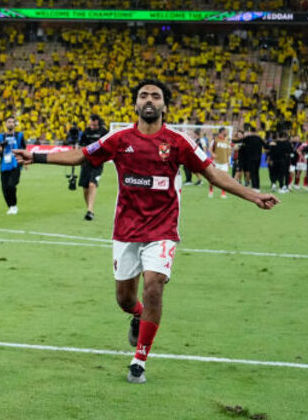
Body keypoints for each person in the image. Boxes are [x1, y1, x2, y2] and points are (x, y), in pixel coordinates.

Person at [15, 80, 277, 384]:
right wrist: (36, 155)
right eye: (143, 96)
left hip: (162, 229)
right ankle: (137, 315)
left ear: (165, 105)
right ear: (136, 105)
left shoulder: (178, 143)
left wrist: (253, 195)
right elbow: (82, 155)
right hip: (126, 230)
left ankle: (139, 360)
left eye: (156, 96)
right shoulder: (120, 138)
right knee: (125, 299)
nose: (149, 100)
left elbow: (212, 172)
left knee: (153, 285)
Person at [77, 114, 108, 219]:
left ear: (97, 123)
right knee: (85, 188)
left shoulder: (104, 132)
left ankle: (90, 210)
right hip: (86, 162)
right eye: (91, 124)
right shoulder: (86, 131)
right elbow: (81, 145)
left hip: (98, 163)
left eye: (94, 125)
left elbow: (109, 145)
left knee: (92, 184)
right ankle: (89, 210)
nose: (92, 127)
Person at [0, 116, 27, 215]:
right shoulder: (1, 137)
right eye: (8, 122)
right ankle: (11, 207)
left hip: (16, 164)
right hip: (4, 165)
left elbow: (24, 149)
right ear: (6, 124)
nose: (10, 123)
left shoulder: (19, 136)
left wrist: (25, 161)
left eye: (12, 122)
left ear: (15, 124)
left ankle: (13, 205)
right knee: (4, 188)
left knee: (11, 185)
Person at [236, 124, 268, 191]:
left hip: (250, 158)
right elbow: (266, 146)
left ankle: (254, 187)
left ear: (250, 131)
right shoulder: (259, 138)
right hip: (258, 158)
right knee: (257, 172)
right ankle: (258, 187)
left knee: (252, 172)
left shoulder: (247, 138)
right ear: (256, 131)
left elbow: (238, 141)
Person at [208, 126, 232, 198]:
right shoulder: (215, 140)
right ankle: (211, 191)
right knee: (212, 177)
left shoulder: (227, 141)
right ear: (222, 131)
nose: (226, 132)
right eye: (225, 131)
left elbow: (228, 153)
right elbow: (210, 148)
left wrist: (228, 162)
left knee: (224, 178)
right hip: (216, 162)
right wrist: (212, 154)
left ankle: (223, 193)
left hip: (224, 162)